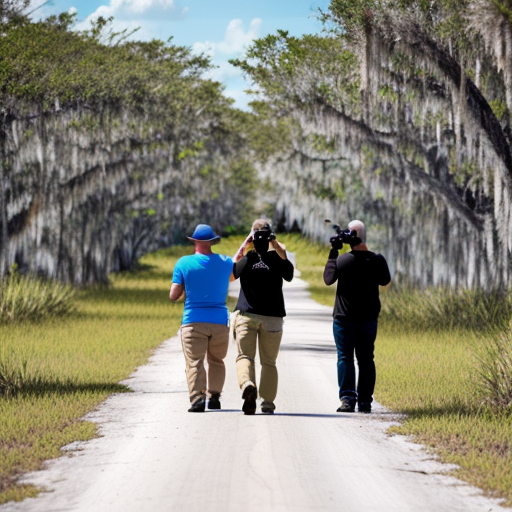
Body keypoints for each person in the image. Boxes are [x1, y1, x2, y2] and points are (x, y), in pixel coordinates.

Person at [323, 220, 391, 414]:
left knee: (345, 358)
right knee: (366, 359)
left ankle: (347, 399)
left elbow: (328, 279)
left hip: (344, 319)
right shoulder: (377, 260)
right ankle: (364, 402)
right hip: (368, 320)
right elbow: (385, 279)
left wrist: (333, 252)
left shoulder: (343, 260)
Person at [169, 224, 234, 413]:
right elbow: (231, 276)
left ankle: (198, 398)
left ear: (195, 241)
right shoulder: (226, 261)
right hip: (220, 321)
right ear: (212, 241)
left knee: (195, 361)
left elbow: (174, 295)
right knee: (216, 360)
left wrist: (183, 287)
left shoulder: (183, 263)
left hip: (193, 320)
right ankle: (214, 397)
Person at [232, 219, 294, 415]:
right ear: (270, 236)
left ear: (252, 236)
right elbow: (290, 274)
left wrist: (245, 243)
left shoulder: (247, 258)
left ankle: (248, 384)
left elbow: (232, 272)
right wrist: (277, 247)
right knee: (269, 362)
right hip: (273, 319)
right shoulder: (277, 259)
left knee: (244, 357)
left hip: (246, 316)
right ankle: (267, 403)